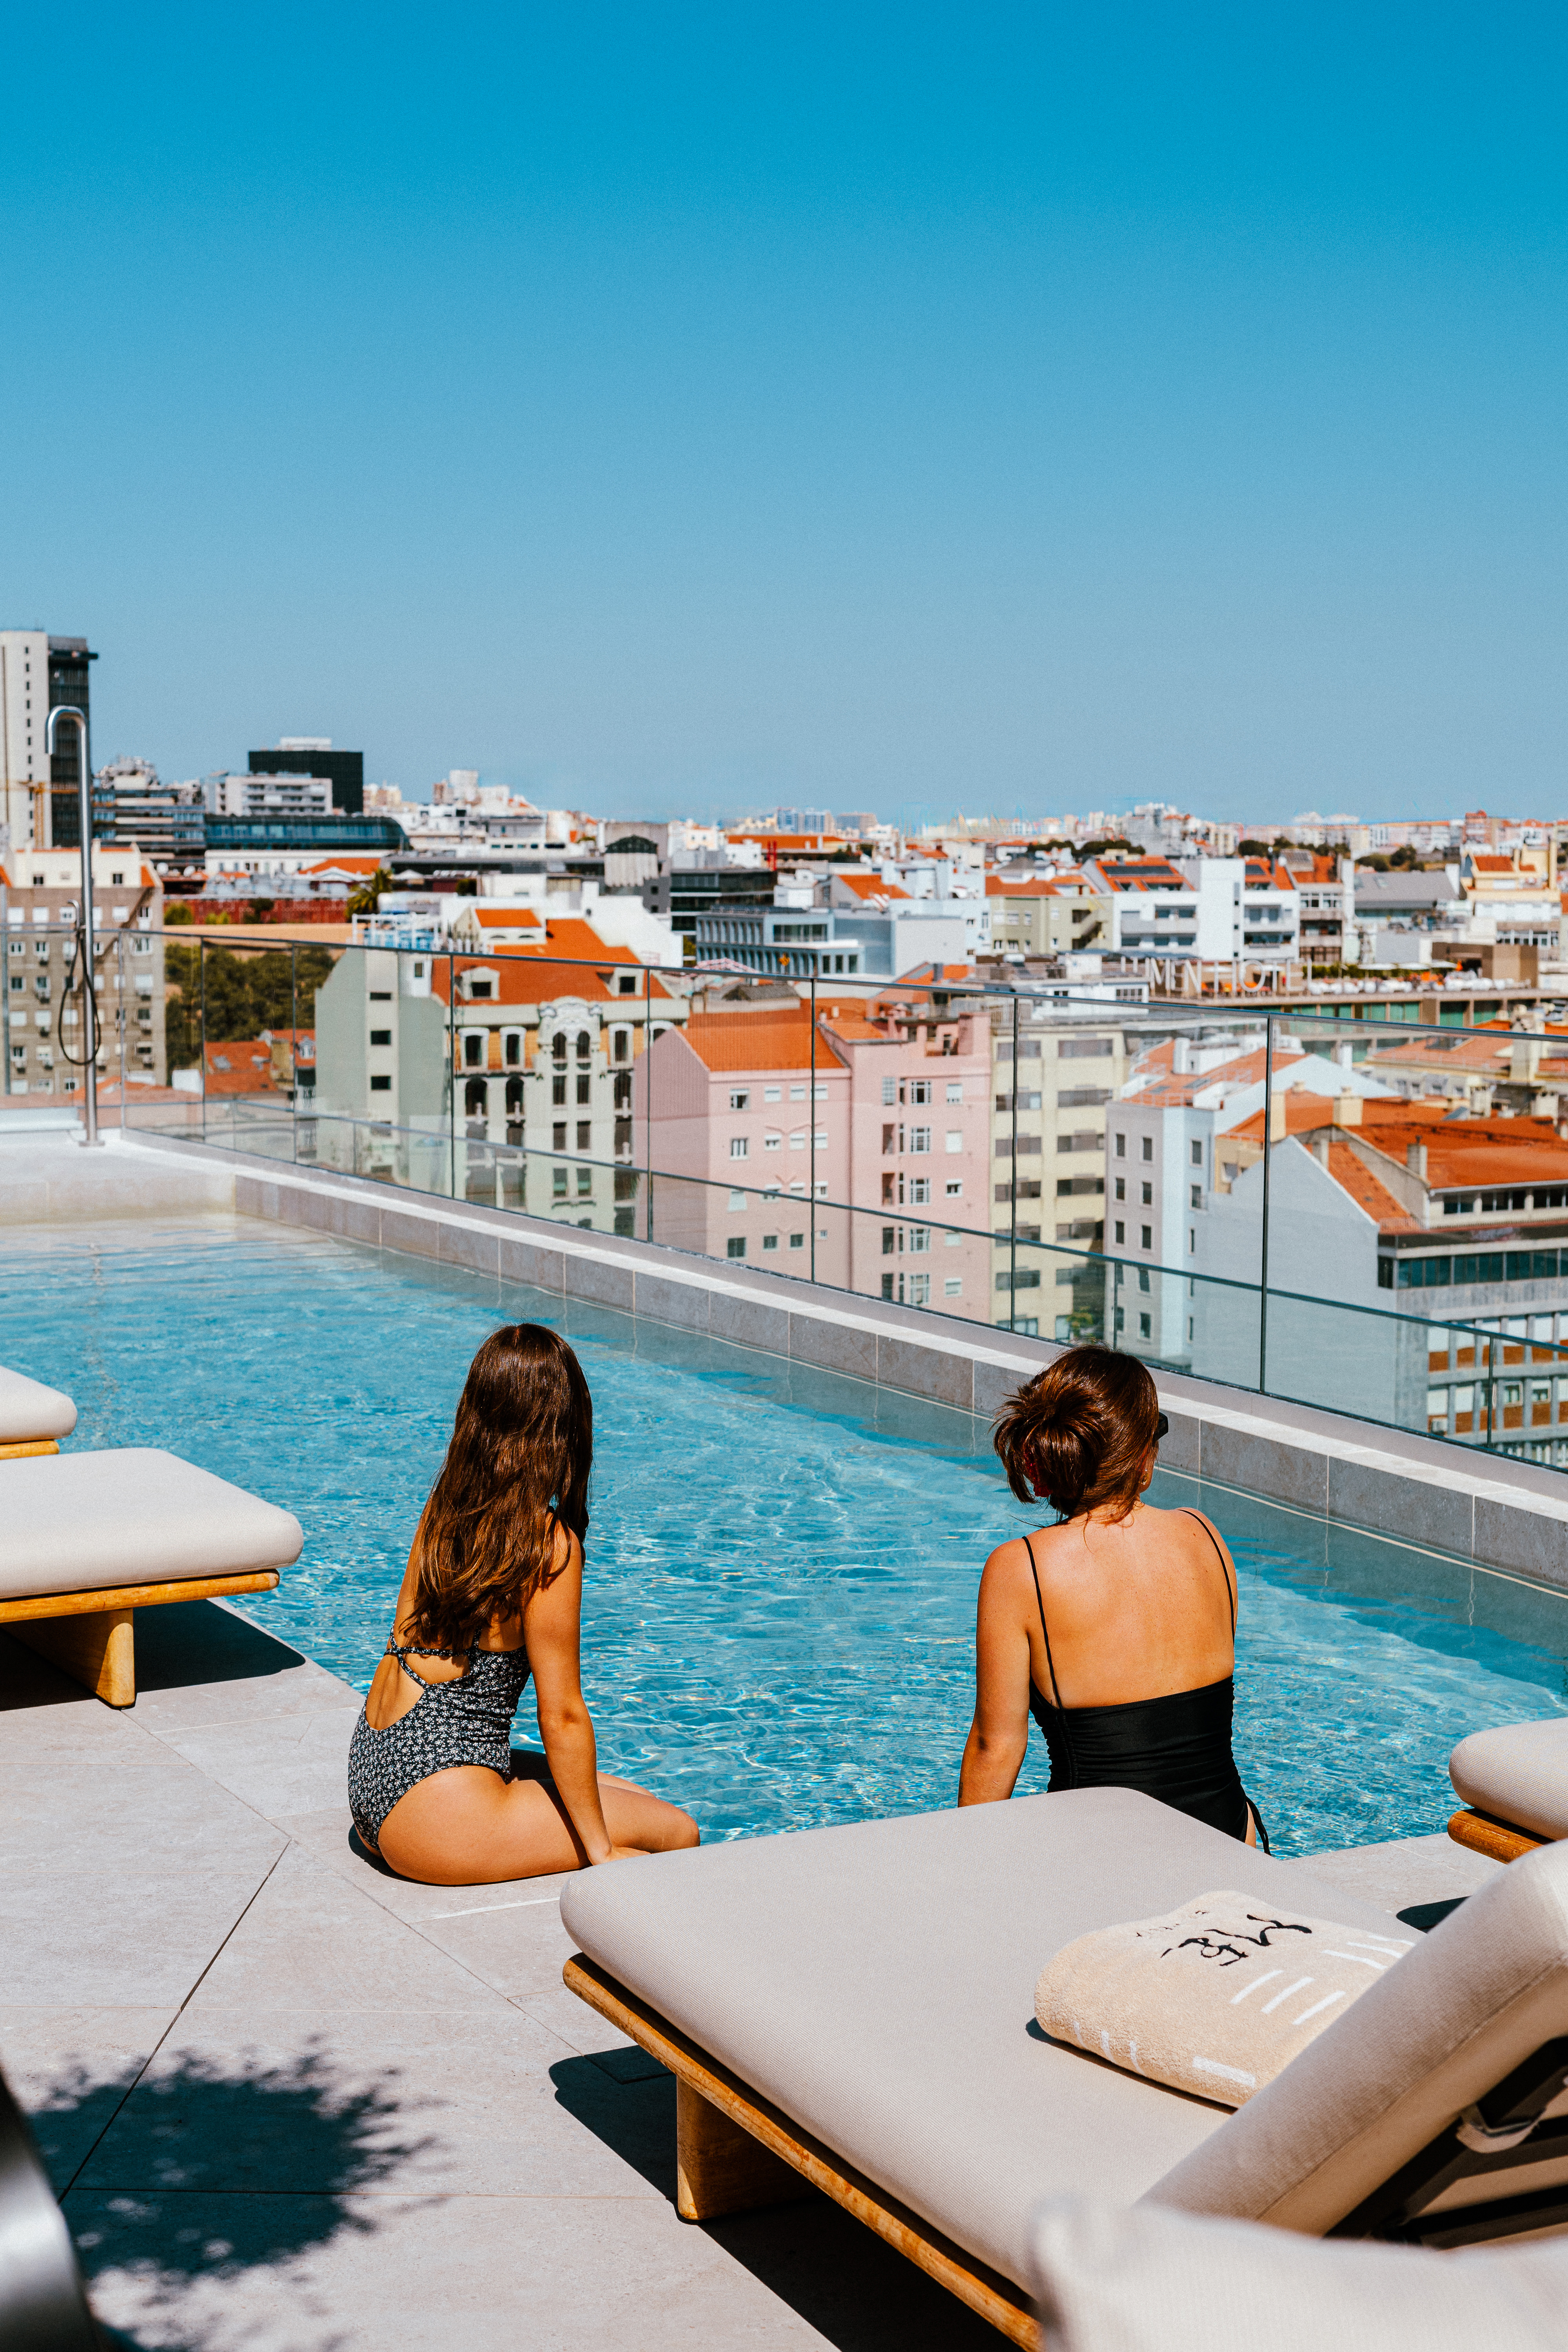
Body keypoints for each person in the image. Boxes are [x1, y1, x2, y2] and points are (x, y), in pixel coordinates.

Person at [348, 1323, 699, 1884]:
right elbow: (561, 1714)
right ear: (563, 1426)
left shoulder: (447, 1503)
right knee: (677, 1834)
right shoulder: (546, 1544)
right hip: (438, 1817)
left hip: (377, 1772)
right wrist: (601, 1853)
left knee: (627, 1795)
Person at [957, 1344, 1266, 1847]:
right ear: (1141, 1452)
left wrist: (959, 1873)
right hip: (1231, 1844)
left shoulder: (1022, 1570)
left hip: (1103, 1864)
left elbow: (997, 1747)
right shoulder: (1204, 1534)